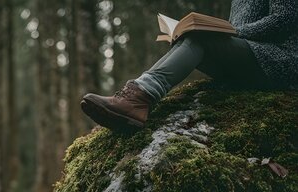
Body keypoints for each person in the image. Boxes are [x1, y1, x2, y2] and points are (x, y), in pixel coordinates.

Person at [81, 0, 298, 132]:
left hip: (278, 61)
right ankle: (136, 96)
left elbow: (284, 20)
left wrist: (233, 32)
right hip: (253, 60)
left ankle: (139, 98)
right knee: (191, 38)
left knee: (200, 39)